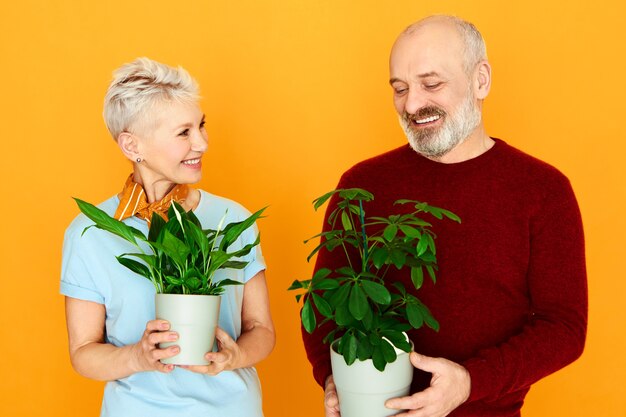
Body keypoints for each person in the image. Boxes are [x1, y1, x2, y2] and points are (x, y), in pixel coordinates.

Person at [302, 15, 587, 417]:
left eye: (431, 84)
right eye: (400, 89)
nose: (412, 104)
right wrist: (335, 380)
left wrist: (470, 383)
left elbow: (564, 329)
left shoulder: (543, 189)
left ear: (480, 80)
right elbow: (324, 305)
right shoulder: (361, 185)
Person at [60, 57, 275, 417]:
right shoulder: (89, 234)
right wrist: (137, 356)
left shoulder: (231, 219)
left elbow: (262, 329)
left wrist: (235, 355)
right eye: (183, 132)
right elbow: (83, 352)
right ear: (132, 146)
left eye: (201, 126)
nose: (202, 143)